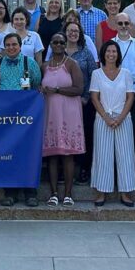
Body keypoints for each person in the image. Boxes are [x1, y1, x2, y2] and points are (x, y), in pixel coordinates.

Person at [0, 33, 43, 207]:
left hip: (25, 119)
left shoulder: (30, 63)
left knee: (27, 154)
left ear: (20, 46)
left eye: (14, 45)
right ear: (4, 47)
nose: (11, 48)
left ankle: (30, 193)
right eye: (8, 45)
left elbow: (36, 85)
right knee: (6, 154)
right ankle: (10, 192)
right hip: (4, 118)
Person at [40, 33, 86, 207]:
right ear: (50, 44)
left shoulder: (72, 64)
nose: (58, 44)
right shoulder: (44, 66)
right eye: (55, 42)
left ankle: (68, 194)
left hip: (69, 113)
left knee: (68, 155)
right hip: (51, 113)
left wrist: (58, 90)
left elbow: (79, 89)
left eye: (61, 42)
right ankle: (53, 193)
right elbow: (41, 86)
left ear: (65, 44)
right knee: (52, 154)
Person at [90, 40, 135, 207]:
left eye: (114, 51)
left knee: (125, 155)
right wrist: (106, 117)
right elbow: (94, 98)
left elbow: (130, 96)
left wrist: (121, 117)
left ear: (118, 54)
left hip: (123, 118)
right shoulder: (97, 74)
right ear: (103, 54)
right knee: (103, 155)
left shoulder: (126, 73)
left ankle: (126, 192)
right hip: (103, 118)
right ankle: (101, 191)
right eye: (108, 51)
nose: (111, 54)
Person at [112, 13, 135, 185]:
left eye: (126, 23)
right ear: (115, 25)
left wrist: (133, 90)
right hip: (114, 94)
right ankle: (116, 172)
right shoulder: (111, 45)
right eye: (120, 23)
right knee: (116, 133)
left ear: (131, 24)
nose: (124, 26)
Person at [58, 20, 97, 184]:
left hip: (83, 102)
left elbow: (93, 76)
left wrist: (86, 97)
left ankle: (83, 169)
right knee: (63, 134)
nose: (73, 33)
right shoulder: (58, 52)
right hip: (61, 102)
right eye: (70, 30)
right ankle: (63, 171)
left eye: (76, 31)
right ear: (65, 32)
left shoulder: (86, 53)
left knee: (85, 135)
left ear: (80, 35)